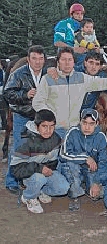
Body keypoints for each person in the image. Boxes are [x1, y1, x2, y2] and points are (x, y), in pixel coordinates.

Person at [32, 47, 107, 139]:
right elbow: (37, 102)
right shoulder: (48, 79)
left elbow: (104, 82)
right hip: (55, 130)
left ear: (74, 62)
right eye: (63, 60)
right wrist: (50, 118)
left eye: (70, 60)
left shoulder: (82, 78)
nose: (67, 63)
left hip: (75, 130)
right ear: (58, 62)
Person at [3, 45, 47, 193]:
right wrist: (25, 95)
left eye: (41, 59)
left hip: (40, 118)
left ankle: (29, 179)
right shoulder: (19, 74)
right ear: (28, 59)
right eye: (34, 58)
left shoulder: (48, 73)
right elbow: (8, 93)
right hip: (22, 116)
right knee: (19, 149)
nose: (37, 62)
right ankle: (11, 181)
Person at [10, 109, 69, 214]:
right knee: (39, 178)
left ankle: (39, 191)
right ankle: (28, 196)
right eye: (44, 126)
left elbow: (53, 162)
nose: (48, 130)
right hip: (28, 174)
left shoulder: (56, 138)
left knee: (63, 187)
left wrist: (48, 169)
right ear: (37, 126)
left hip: (44, 171)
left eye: (52, 126)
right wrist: (40, 169)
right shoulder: (25, 141)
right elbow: (15, 169)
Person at [59, 108, 107, 210]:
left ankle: (88, 187)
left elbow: (105, 163)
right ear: (80, 122)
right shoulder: (72, 132)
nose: (87, 127)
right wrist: (85, 158)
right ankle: (75, 193)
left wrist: (96, 182)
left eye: (91, 124)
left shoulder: (101, 137)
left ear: (97, 124)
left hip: (90, 170)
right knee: (71, 164)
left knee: (96, 194)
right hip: (74, 168)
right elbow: (63, 155)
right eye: (84, 123)